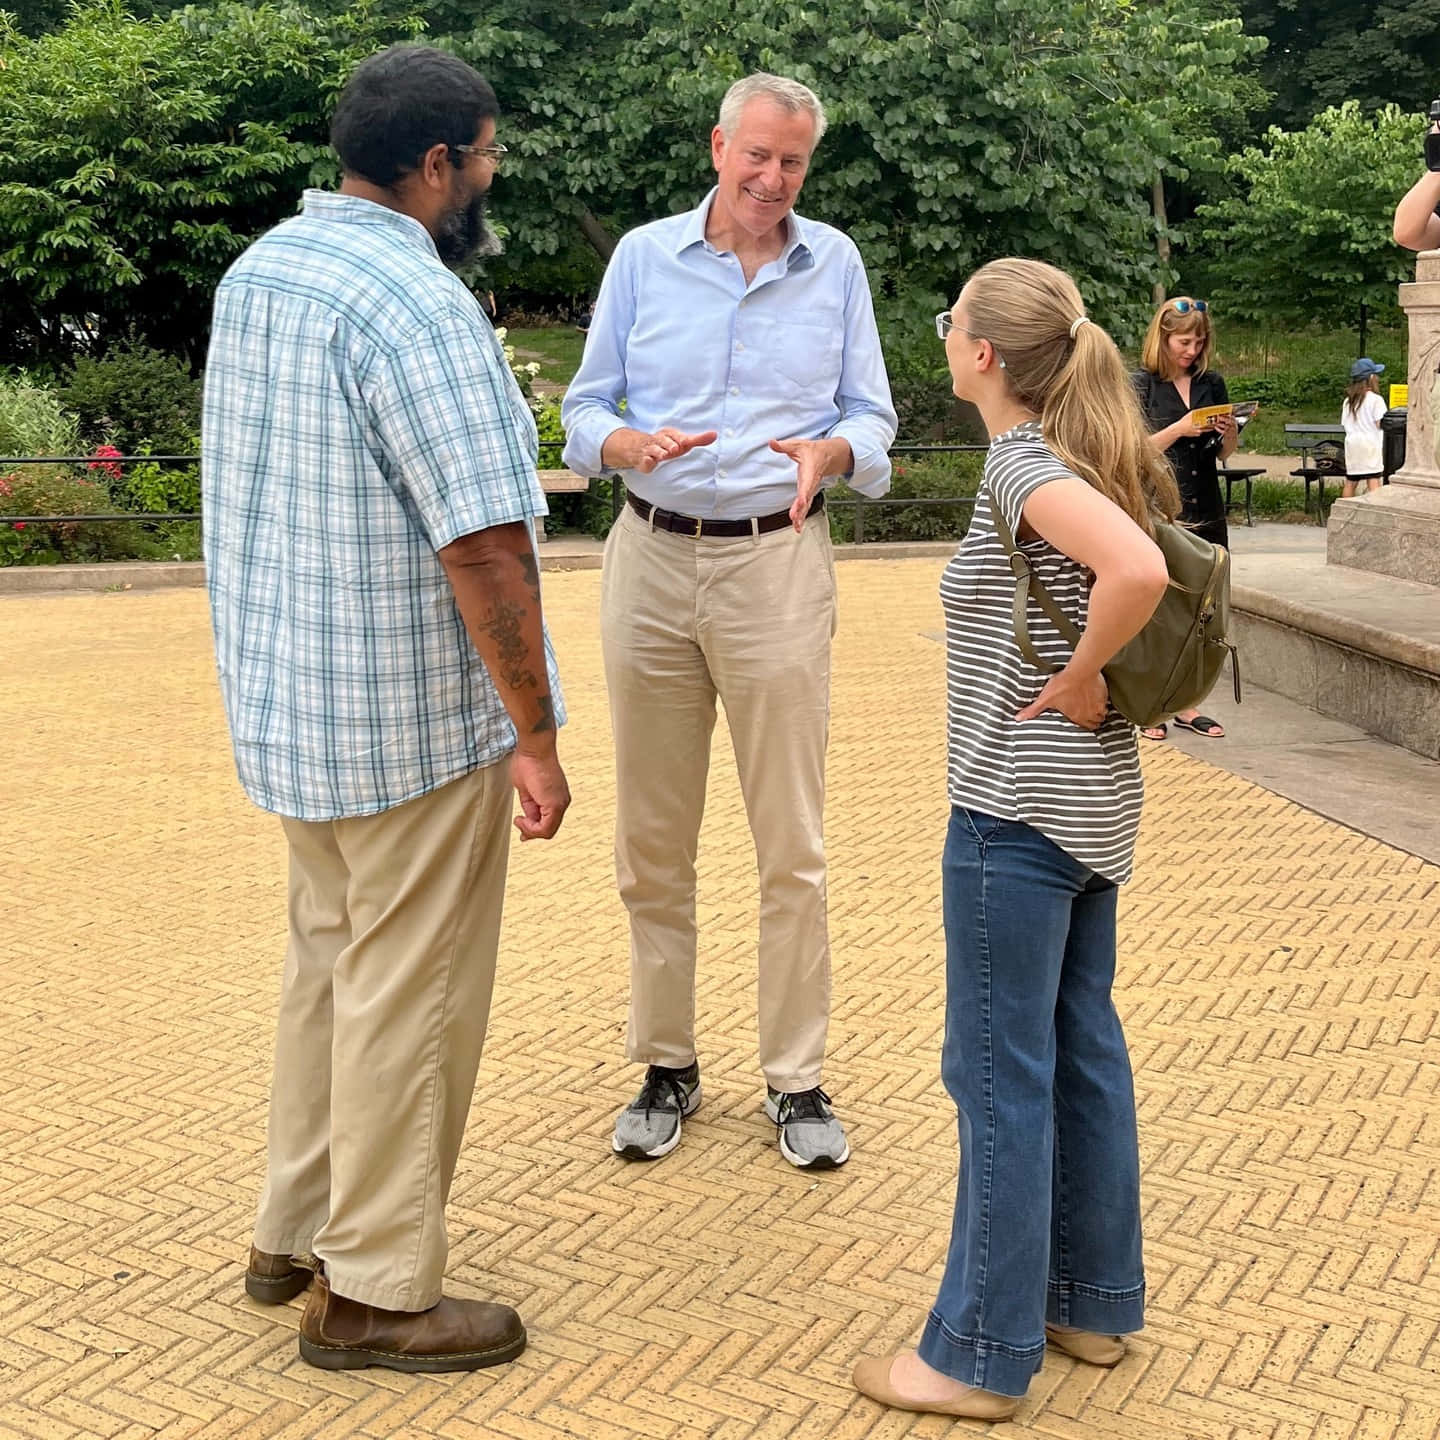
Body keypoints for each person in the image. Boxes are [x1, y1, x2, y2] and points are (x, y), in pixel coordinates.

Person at [202, 44, 570, 1374]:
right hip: (407, 727)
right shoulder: (415, 304)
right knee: (409, 1000)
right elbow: (482, 544)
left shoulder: (266, 272)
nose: (488, 177)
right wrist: (534, 729)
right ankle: (373, 1291)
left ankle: (292, 1230)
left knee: (330, 971)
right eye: (483, 157)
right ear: (435, 167)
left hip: (295, 713)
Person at [851, 258, 1173, 1421]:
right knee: (1080, 1048)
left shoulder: (1019, 465)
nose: (946, 339)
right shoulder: (1081, 455)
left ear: (983, 354)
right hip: (1088, 808)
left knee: (995, 1072)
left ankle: (975, 1354)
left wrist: (1082, 674)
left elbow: (1132, 571)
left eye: (951, 324)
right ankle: (1089, 1301)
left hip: (1015, 809)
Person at [561, 72, 897, 1171]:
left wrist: (835, 453)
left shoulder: (834, 262)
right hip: (650, 559)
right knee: (651, 840)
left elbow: (873, 417)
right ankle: (666, 1061)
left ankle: (795, 1076)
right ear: (719, 147)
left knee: (790, 841)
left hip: (775, 565)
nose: (772, 178)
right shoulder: (643, 258)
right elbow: (583, 406)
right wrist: (620, 445)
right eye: (756, 155)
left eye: (793, 162)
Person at [1133, 297, 1235, 741]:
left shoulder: (1212, 383)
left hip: (1206, 503)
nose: (1191, 350)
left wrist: (1227, 435)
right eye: (1183, 341)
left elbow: (1223, 455)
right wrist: (1180, 427)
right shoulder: (1141, 385)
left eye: (1198, 342)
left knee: (1201, 607)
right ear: (1163, 337)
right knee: (1156, 606)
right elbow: (1132, 451)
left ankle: (1187, 702)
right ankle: (1149, 699)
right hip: (1159, 504)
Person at [1340, 357, 1388, 497]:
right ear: (1371, 378)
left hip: (1352, 444)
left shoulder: (1348, 401)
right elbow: (1380, 423)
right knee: (1373, 479)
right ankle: (1375, 512)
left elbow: (1345, 423)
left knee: (1351, 481)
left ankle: (1344, 511)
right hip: (1370, 444)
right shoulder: (1376, 400)